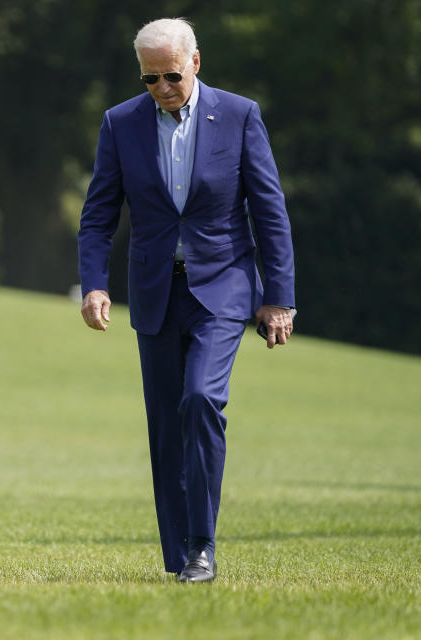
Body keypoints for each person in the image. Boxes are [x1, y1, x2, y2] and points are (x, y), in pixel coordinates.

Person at [77, 18, 296, 583]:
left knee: (199, 398)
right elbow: (99, 214)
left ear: (196, 62)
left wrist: (279, 298)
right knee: (164, 427)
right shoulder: (120, 123)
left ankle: (202, 545)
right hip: (154, 290)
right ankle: (180, 559)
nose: (161, 88)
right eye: (150, 78)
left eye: (171, 75)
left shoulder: (241, 115)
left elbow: (269, 212)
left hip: (222, 285)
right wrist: (95, 284)